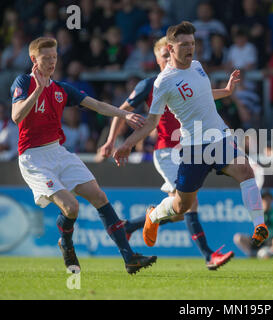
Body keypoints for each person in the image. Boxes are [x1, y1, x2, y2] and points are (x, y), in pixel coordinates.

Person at [113, 22, 269, 252]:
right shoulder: (163, 82)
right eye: (184, 44)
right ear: (171, 47)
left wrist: (226, 91)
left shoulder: (197, 66)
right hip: (193, 147)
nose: (190, 48)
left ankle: (259, 226)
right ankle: (153, 216)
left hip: (219, 137)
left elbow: (201, 94)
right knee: (181, 205)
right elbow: (152, 123)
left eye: (193, 43)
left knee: (246, 171)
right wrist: (127, 143)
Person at [10, 37, 155, 274]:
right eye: (46, 58)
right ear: (33, 59)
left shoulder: (61, 88)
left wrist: (124, 114)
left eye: (54, 57)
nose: (51, 62)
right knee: (72, 207)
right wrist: (37, 91)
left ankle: (130, 258)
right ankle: (66, 244)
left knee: (98, 196)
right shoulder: (23, 82)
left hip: (57, 151)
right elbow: (16, 117)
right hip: (33, 158)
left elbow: (97, 105)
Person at [100, 36, 234, 270]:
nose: (169, 59)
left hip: (190, 149)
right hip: (167, 152)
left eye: (170, 54)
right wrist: (112, 140)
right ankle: (209, 256)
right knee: (190, 205)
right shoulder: (150, 85)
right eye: (164, 55)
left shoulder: (186, 78)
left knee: (180, 212)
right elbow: (121, 112)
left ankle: (129, 227)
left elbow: (204, 95)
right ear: (158, 58)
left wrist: (227, 90)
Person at [234, 190, 273, 259]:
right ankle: (251, 254)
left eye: (268, 199)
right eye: (265, 199)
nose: (267, 201)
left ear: (272, 200)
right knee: (238, 237)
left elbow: (269, 221)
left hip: (270, 240)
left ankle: (269, 253)